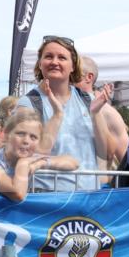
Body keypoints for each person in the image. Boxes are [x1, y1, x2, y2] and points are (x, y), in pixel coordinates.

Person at [15, 36, 115, 191]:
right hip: (47, 198)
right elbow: (26, 156)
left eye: (62, 57)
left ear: (73, 66)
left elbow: (106, 153)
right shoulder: (29, 104)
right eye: (48, 56)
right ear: (40, 64)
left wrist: (96, 114)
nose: (55, 62)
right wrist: (57, 115)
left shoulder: (87, 99)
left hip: (86, 198)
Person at [0, 110, 78, 200]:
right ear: (7, 135)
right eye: (20, 134)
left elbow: (73, 163)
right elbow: (17, 194)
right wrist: (23, 164)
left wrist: (41, 163)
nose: (26, 141)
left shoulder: (31, 159)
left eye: (33, 137)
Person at [79, 55, 129, 168]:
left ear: (88, 77)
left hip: (97, 183)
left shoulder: (108, 113)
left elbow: (126, 161)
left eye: (73, 74)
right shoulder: (63, 107)